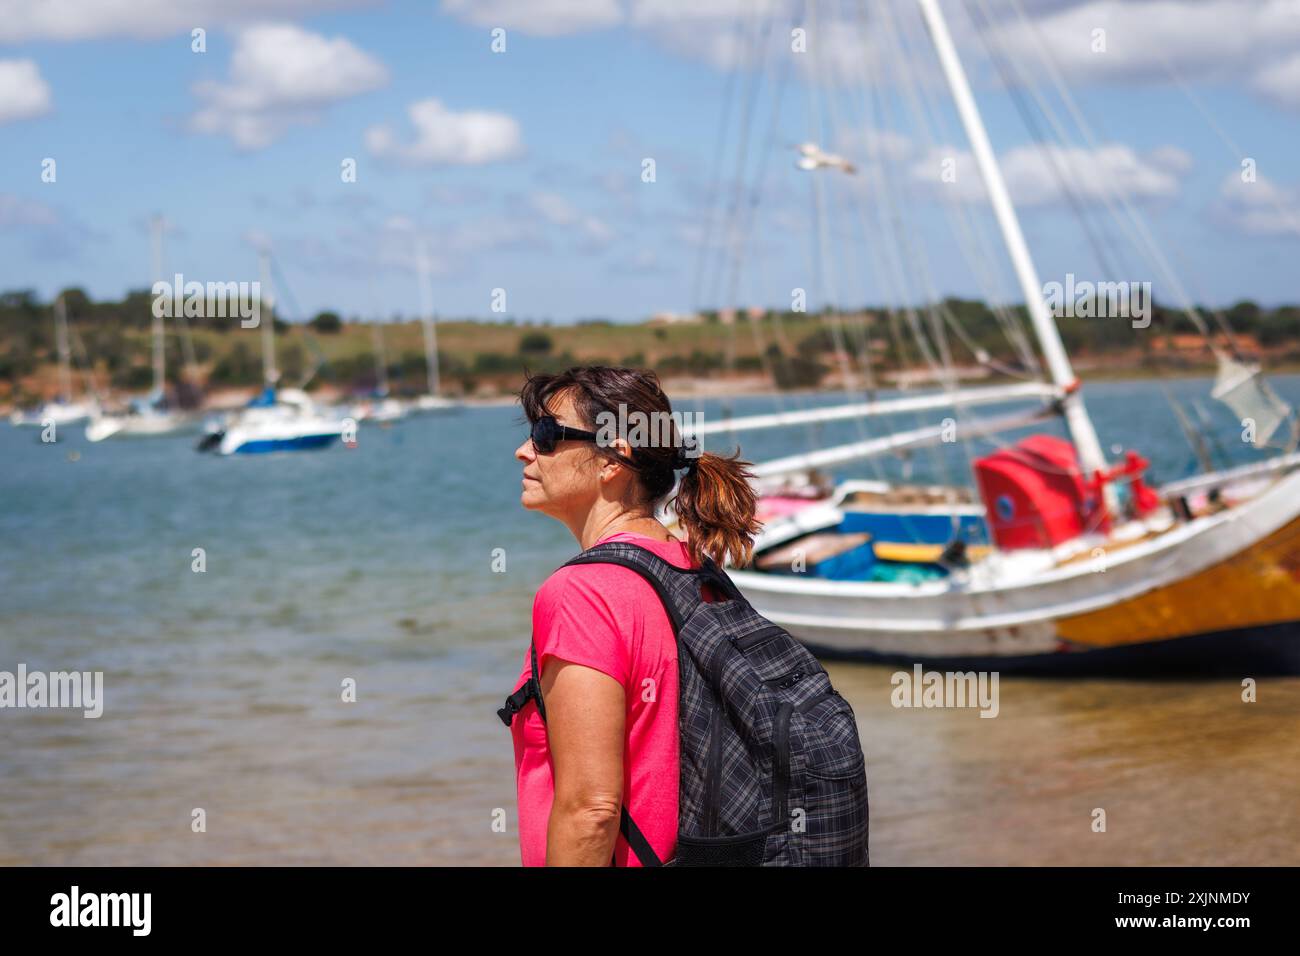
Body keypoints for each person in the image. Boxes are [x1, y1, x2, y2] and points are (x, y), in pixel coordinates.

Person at [505, 366, 760, 866]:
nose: (524, 451)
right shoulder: (691, 566)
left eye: (546, 436)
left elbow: (591, 809)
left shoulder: (583, 592)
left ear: (613, 460)